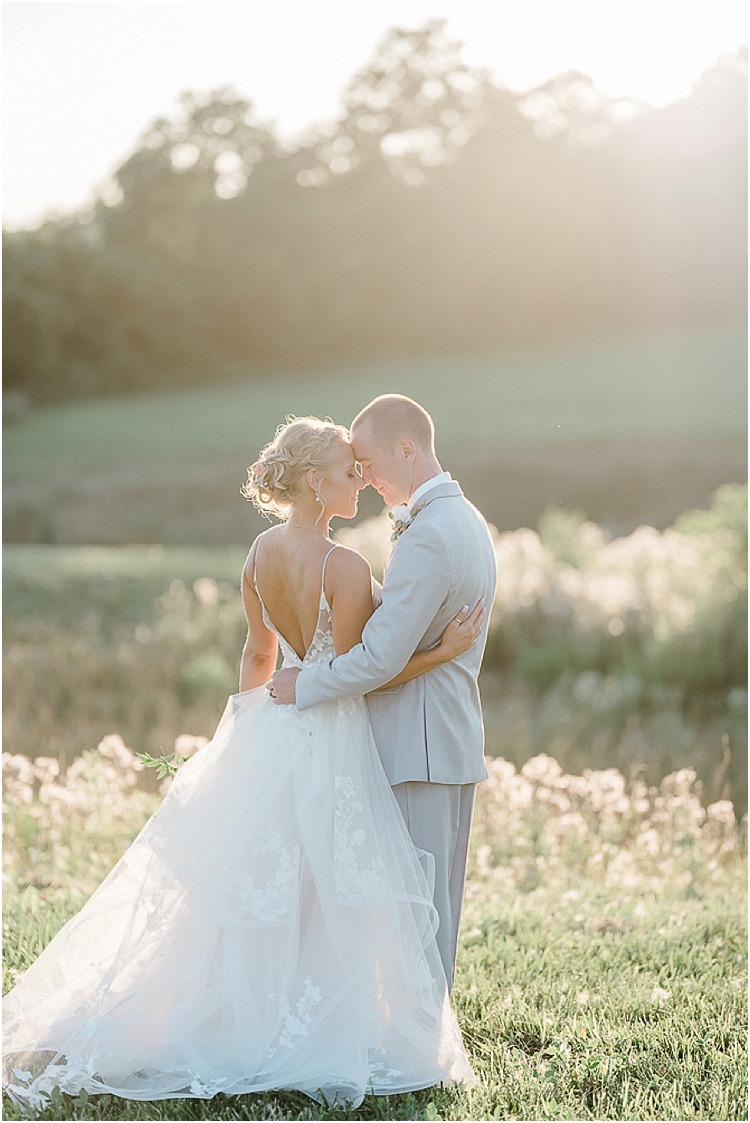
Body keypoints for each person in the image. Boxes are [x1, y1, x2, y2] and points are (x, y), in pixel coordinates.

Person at [3, 416, 482, 1114]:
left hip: (271, 722)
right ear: (315, 481)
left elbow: (260, 657)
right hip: (328, 734)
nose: (362, 478)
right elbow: (360, 673)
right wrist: (447, 651)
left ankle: (252, 1005)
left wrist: (247, 732)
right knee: (326, 883)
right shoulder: (345, 567)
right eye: (351, 469)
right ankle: (307, 1020)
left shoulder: (258, 553)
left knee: (261, 883)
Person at [269, 395, 498, 990]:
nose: (363, 476)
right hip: (443, 736)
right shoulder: (464, 517)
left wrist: (303, 686)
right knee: (429, 904)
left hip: (416, 742)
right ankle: (421, 1035)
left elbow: (375, 659)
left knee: (415, 906)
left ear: (406, 448)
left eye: (367, 461)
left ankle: (420, 1046)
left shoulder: (428, 535)